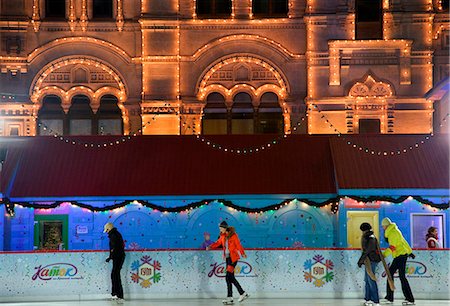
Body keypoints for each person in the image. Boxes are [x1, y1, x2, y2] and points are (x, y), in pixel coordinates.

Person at [207, 221, 249, 305]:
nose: (220, 230)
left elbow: (238, 245)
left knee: (228, 276)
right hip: (227, 259)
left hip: (233, 259)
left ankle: (242, 293)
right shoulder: (222, 236)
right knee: (229, 277)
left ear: (224, 228)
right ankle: (231, 297)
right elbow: (218, 243)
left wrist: (243, 253)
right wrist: (210, 246)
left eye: (220, 228)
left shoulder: (233, 235)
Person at [381, 217, 415, 305]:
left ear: (386, 225)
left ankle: (409, 299)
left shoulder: (392, 233)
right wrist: (410, 252)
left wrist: (383, 255)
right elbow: (403, 242)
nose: (382, 228)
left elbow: (392, 247)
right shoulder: (395, 230)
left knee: (398, 276)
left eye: (383, 226)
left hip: (400, 256)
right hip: (400, 255)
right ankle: (391, 297)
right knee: (393, 274)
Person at [357, 223, 381, 306]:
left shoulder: (370, 237)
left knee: (371, 279)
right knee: (367, 280)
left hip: (371, 260)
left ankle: (375, 300)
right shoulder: (369, 236)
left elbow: (368, 250)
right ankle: (368, 298)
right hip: (368, 260)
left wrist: (361, 260)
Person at [104, 222, 126, 304]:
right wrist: (111, 257)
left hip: (118, 257)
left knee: (115, 275)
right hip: (118, 257)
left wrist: (111, 256)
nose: (106, 232)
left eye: (106, 230)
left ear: (109, 229)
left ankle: (118, 295)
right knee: (115, 275)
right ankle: (116, 294)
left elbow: (114, 247)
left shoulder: (113, 235)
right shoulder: (115, 234)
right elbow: (115, 247)